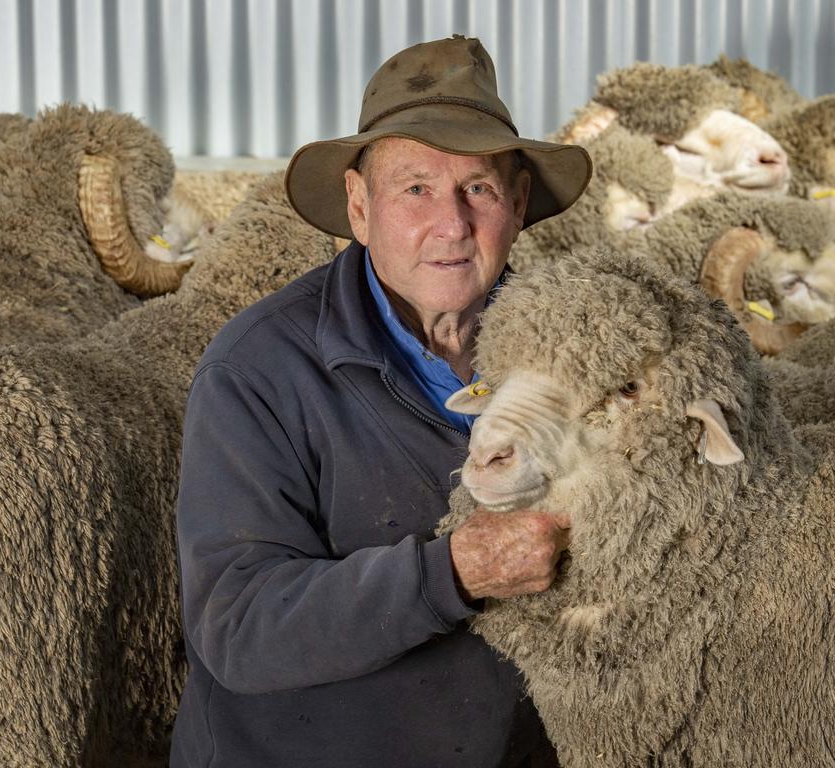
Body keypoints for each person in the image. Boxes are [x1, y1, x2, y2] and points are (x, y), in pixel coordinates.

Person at [171, 35, 592, 767]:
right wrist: (450, 573)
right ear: (360, 208)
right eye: (416, 189)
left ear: (519, 205)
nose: (453, 224)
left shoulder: (571, 358)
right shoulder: (258, 371)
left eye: (480, 189)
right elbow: (235, 624)